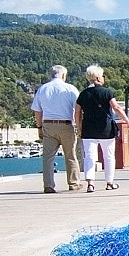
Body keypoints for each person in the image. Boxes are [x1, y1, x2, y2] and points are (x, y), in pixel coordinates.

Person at [74, 65, 129, 193]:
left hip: (88, 129)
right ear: (98, 77)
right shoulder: (107, 92)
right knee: (109, 156)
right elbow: (116, 107)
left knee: (89, 156)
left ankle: (90, 183)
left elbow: (77, 112)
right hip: (105, 129)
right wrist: (127, 121)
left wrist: (79, 127)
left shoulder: (83, 94)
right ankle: (109, 182)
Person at [31, 64, 80, 192]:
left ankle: (48, 185)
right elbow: (78, 109)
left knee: (48, 157)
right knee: (70, 155)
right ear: (63, 75)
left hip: (48, 124)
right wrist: (78, 125)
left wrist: (39, 127)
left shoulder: (43, 89)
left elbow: (37, 111)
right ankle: (73, 183)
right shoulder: (70, 89)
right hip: (66, 124)